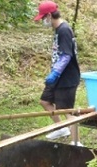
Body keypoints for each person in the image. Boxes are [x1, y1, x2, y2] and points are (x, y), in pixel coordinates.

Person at [34, 1, 82, 146]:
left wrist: (55, 72)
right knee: (45, 101)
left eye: (43, 18)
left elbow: (66, 55)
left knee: (68, 111)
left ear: (49, 15)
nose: (43, 21)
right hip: (58, 77)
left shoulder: (64, 30)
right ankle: (62, 129)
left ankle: (76, 143)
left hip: (67, 78)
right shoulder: (58, 29)